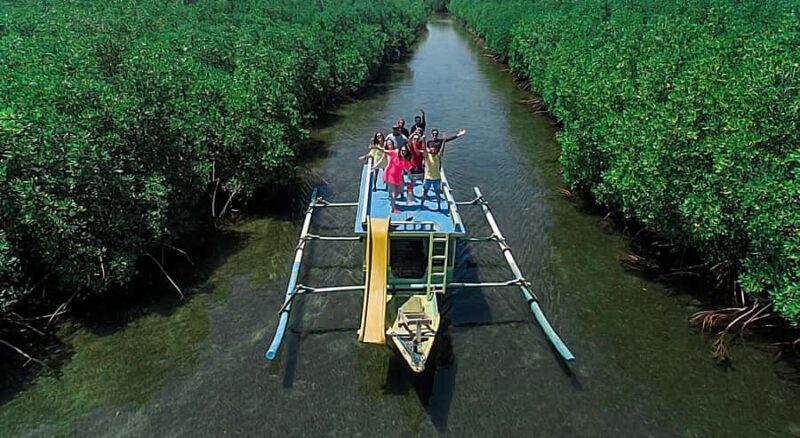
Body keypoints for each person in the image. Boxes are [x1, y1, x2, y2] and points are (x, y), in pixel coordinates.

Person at [421, 129, 466, 210]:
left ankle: (438, 207)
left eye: (436, 134)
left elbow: (442, 149)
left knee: (437, 193)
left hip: (437, 170)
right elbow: (425, 149)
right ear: (431, 135)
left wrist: (458, 135)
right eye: (433, 134)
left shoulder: (440, 146)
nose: (435, 135)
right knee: (425, 192)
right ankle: (421, 205)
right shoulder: (429, 144)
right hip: (428, 175)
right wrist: (424, 139)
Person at [372, 140, 413, 213]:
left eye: (405, 151)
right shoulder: (394, 153)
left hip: (398, 177)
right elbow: (385, 151)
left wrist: (411, 177)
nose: (403, 152)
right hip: (389, 175)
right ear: (400, 150)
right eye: (402, 150)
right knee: (393, 193)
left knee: (399, 191)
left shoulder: (406, 159)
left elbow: (407, 169)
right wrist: (376, 147)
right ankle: (393, 209)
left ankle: (392, 200)